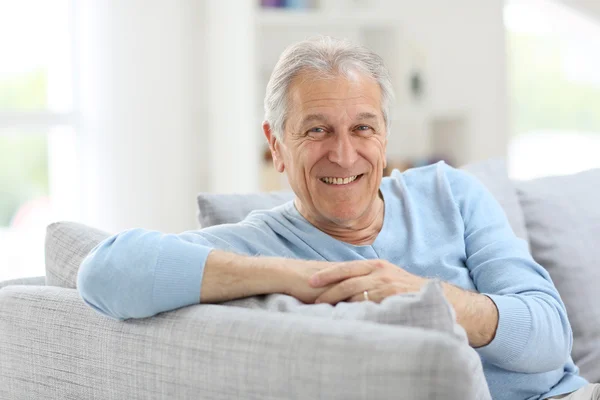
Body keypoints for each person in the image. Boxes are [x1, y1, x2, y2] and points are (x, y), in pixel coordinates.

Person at [77, 36, 597, 400]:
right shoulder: (255, 242)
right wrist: (302, 277)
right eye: (318, 130)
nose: (345, 156)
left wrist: (426, 297)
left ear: (386, 135)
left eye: (363, 129)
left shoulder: (449, 191)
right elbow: (104, 271)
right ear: (276, 145)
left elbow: (550, 335)